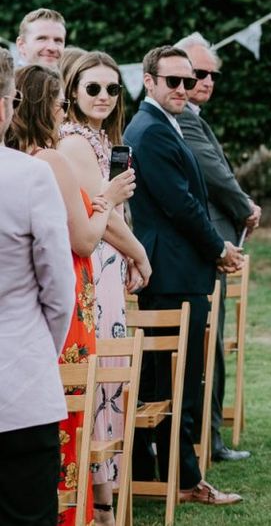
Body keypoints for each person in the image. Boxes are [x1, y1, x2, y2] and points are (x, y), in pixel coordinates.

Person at [5, 62, 135, 526]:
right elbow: (80, 243)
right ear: (47, 105)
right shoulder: (50, 161)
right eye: (61, 102)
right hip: (66, 308)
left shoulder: (19, 157)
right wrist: (111, 200)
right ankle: (74, 514)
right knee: (70, 421)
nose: (65, 111)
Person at [124, 45, 244, 506]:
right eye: (172, 80)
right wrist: (218, 248)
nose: (182, 88)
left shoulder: (162, 124)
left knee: (167, 381)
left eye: (187, 80)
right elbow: (180, 204)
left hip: (177, 269)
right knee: (178, 383)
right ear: (149, 81)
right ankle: (185, 480)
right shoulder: (150, 130)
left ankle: (159, 474)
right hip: (172, 272)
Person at [58, 51, 151, 524]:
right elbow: (105, 216)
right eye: (92, 88)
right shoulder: (73, 142)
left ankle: (107, 496)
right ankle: (100, 505)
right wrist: (140, 253)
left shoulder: (100, 138)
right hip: (95, 263)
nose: (102, 97)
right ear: (72, 90)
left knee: (112, 375)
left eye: (112, 89)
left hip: (111, 264)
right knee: (103, 378)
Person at [176, 34, 261, 462]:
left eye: (212, 74)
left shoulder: (192, 116)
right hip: (207, 244)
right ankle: (208, 440)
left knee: (211, 340)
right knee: (208, 341)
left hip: (212, 241)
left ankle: (209, 436)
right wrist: (244, 205)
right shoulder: (184, 121)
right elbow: (214, 174)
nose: (207, 81)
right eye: (198, 74)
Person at [0, 50, 74, 526]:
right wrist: (34, 351)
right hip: (18, 387)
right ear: (3, 105)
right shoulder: (29, 176)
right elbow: (59, 290)